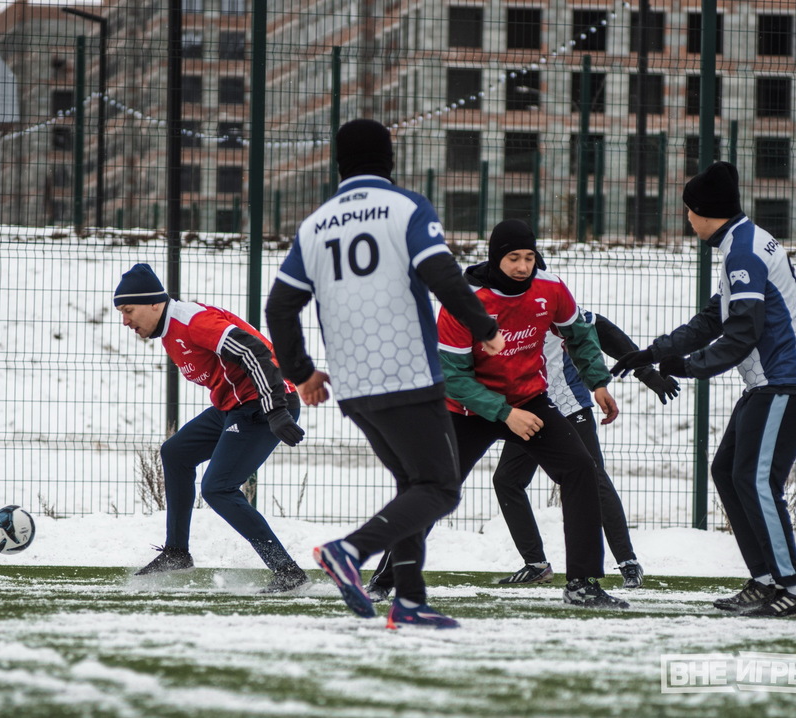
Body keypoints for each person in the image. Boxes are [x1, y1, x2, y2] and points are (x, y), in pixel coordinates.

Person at [264, 118, 503, 629]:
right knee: (440, 489)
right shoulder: (406, 207)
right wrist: (484, 327)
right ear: (390, 159)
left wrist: (302, 373)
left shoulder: (316, 225)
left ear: (338, 163)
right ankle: (350, 551)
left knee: (412, 485)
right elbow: (442, 274)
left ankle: (409, 601)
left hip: (353, 384)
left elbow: (279, 308)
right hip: (407, 372)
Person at [368, 219, 631, 609]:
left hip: (529, 399)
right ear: (496, 259)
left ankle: (582, 584)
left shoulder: (550, 287)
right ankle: (384, 579)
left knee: (580, 469)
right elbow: (453, 377)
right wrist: (505, 413)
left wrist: (598, 382)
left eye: (529, 257)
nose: (523, 266)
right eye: (513, 259)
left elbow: (579, 333)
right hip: (466, 409)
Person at [612, 161, 796, 618]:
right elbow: (715, 318)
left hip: (788, 381)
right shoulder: (741, 242)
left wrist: (689, 367)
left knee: (756, 480)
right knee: (729, 471)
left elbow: (743, 333)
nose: (687, 219)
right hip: (773, 381)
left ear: (703, 211)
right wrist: (652, 352)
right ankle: (766, 581)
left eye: (688, 210)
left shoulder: (743, 251)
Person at [114, 263, 309, 593]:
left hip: (264, 404)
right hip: (234, 406)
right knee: (176, 453)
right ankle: (177, 552)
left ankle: (287, 571)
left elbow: (252, 350)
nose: (125, 321)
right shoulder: (168, 330)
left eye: (129, 311)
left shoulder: (192, 321)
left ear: (155, 304)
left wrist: (275, 409)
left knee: (218, 488)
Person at [487, 309, 680, 590]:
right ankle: (536, 564)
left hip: (568, 408)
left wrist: (647, 373)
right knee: (507, 480)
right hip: (529, 411)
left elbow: (603, 330)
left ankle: (628, 562)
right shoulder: (496, 310)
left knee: (593, 479)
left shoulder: (548, 302)